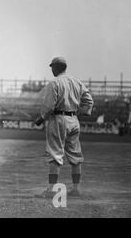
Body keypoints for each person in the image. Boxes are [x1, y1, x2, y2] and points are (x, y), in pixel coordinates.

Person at [34, 57, 93, 198]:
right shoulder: (76, 81)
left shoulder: (55, 82)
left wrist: (41, 118)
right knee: (75, 154)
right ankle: (76, 188)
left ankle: (51, 190)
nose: (52, 70)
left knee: (55, 154)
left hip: (58, 119)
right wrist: (83, 112)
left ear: (56, 67)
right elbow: (89, 101)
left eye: (52, 67)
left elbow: (49, 106)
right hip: (73, 119)